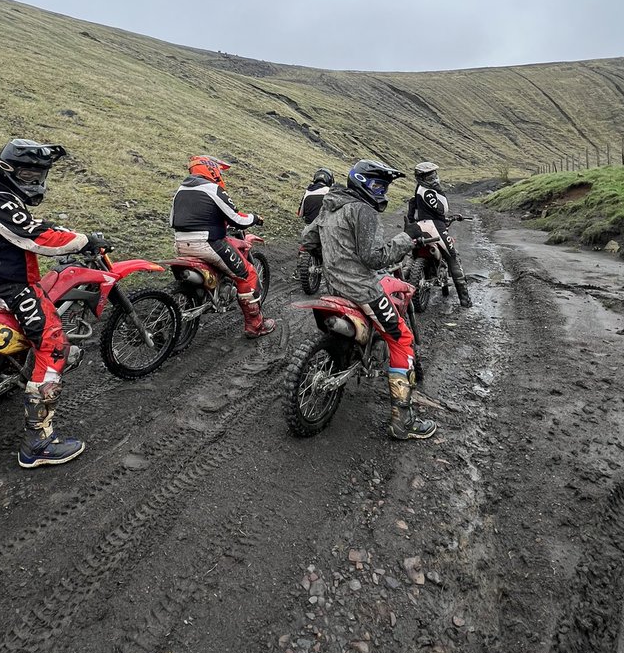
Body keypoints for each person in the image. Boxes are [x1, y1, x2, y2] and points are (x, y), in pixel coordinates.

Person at [0, 139, 111, 469]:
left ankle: (10, 367)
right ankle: (37, 443)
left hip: (1, 274)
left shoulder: (0, 195)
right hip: (4, 282)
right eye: (28, 173)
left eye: (39, 173)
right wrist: (85, 239)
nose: (34, 181)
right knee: (53, 342)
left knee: (37, 319)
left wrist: (67, 233)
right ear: (8, 169)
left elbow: (31, 228)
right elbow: (35, 236)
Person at [301, 160, 436, 441]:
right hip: (363, 290)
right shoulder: (363, 210)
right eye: (378, 185)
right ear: (362, 182)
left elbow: (309, 239)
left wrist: (336, 252)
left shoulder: (331, 205)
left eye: (384, 186)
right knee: (401, 338)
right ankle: (404, 423)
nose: (382, 191)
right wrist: (406, 237)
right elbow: (376, 258)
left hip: (334, 287)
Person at [169, 155, 275, 338]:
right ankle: (255, 326)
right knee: (247, 274)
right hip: (207, 242)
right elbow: (237, 219)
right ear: (211, 169)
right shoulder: (213, 188)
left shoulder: (181, 190)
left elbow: (172, 220)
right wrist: (255, 218)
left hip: (180, 243)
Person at [406, 161, 472, 308]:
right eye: (429, 176)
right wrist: (439, 191)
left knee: (412, 255)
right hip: (435, 226)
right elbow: (443, 209)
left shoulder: (418, 189)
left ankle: (403, 290)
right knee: (452, 257)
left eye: (434, 175)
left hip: (419, 226)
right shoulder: (429, 191)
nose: (433, 179)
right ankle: (465, 300)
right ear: (421, 177)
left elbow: (414, 207)